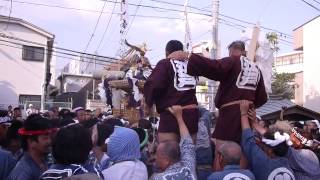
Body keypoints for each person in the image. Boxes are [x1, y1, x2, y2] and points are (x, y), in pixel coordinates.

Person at [168, 40, 268, 168]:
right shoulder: (256, 69)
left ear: (232, 51)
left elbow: (215, 66)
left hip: (229, 116)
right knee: (244, 150)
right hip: (248, 115)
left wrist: (188, 56)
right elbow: (262, 97)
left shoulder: (233, 60)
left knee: (221, 151)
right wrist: (251, 106)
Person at [144, 40, 199, 143]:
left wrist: (148, 103)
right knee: (189, 153)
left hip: (171, 115)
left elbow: (153, 85)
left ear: (167, 53)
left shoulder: (164, 63)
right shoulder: (192, 65)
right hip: (191, 116)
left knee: (168, 154)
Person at [239, 100, 295, 180]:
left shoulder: (264, 162)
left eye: (264, 146)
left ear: (270, 151)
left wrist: (243, 114)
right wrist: (255, 123)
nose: (262, 147)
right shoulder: (288, 161)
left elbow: (248, 141)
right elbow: (276, 139)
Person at [150, 105, 196, 180]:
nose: (155, 158)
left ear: (167, 161)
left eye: (157, 155)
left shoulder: (158, 178)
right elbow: (187, 143)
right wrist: (179, 117)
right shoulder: (189, 167)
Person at [8, 114, 56, 180]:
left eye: (50, 137)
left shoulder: (44, 161)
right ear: (31, 141)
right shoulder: (23, 171)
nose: (50, 141)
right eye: (45, 138)